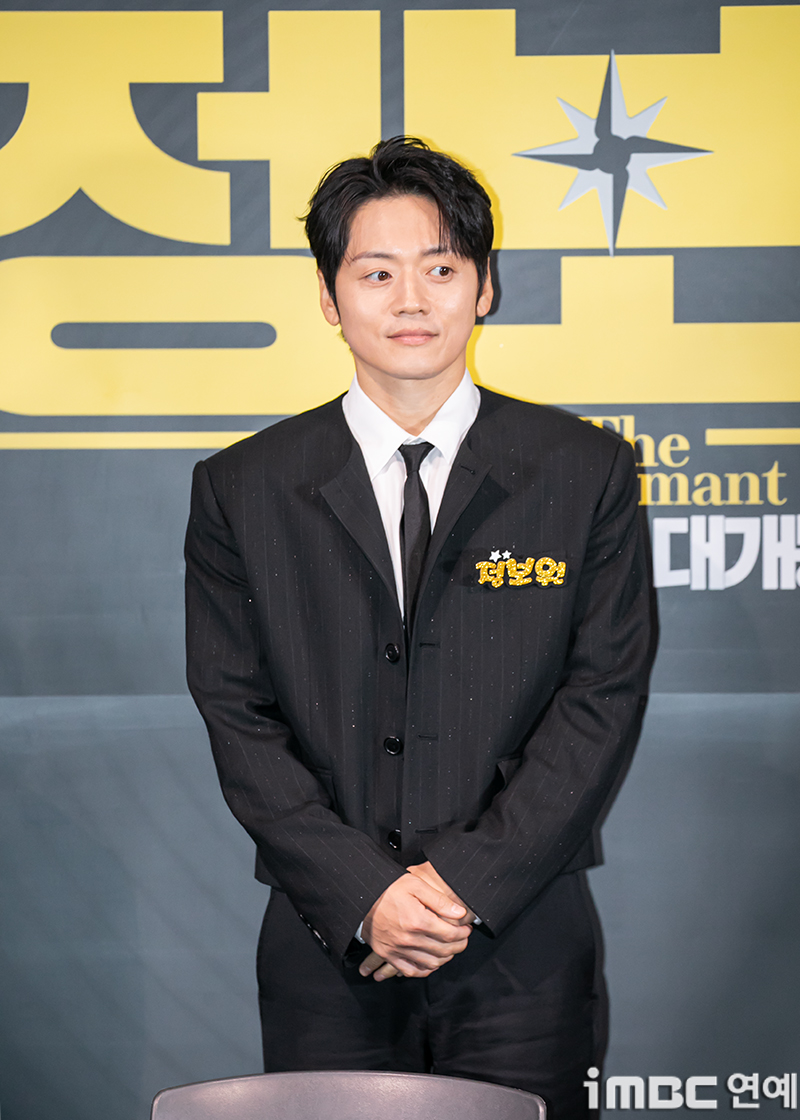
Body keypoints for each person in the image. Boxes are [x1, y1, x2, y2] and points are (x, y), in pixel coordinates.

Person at [185, 136, 652, 1119]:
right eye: (376, 272)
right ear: (328, 296)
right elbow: (236, 714)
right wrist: (365, 892)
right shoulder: (243, 487)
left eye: (441, 269)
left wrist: (464, 886)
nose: (411, 300)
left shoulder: (584, 471)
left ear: (484, 287)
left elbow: (600, 698)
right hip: (328, 941)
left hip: (522, 938)